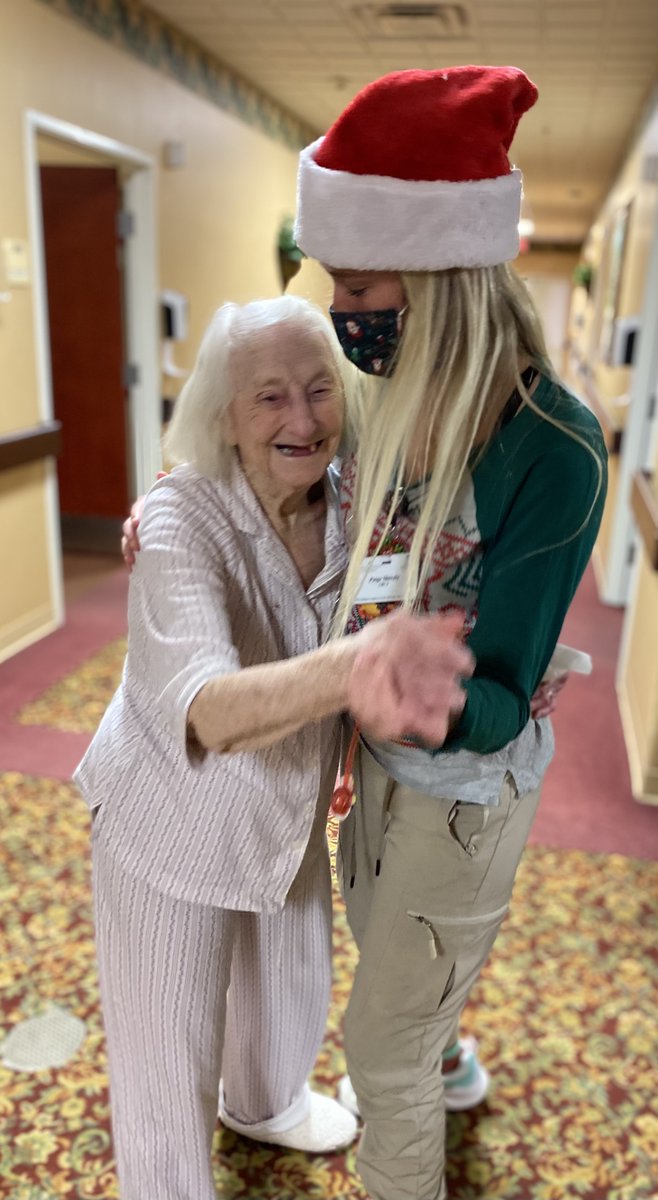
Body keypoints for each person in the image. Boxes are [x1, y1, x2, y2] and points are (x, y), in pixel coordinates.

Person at [75, 294, 472, 1200]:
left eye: (318, 388)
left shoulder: (353, 491)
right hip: (169, 818)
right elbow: (205, 713)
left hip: (287, 800)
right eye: (268, 398)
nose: (301, 417)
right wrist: (354, 667)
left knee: (289, 982)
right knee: (166, 1048)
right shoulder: (180, 523)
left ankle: (261, 1103)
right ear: (224, 416)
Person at [292, 64, 608, 1200]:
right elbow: (306, 504)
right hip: (374, 757)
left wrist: (409, 695)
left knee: (380, 1055)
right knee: (389, 942)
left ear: (440, 281)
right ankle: (450, 1043)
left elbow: (500, 696)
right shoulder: (388, 393)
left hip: (462, 790)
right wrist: (177, 511)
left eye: (362, 284)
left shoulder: (552, 449)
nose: (345, 312)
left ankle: (427, 1055)